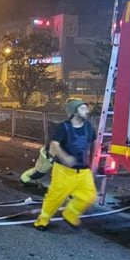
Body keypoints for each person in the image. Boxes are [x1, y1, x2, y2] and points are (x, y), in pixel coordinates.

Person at [34, 98, 97, 230]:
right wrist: (65, 157)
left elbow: (93, 143)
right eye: (83, 108)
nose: (87, 110)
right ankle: (42, 220)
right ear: (74, 111)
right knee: (55, 198)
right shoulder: (63, 127)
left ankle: (70, 213)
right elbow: (54, 144)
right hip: (63, 171)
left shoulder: (89, 127)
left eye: (86, 108)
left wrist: (92, 163)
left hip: (83, 172)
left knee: (89, 196)